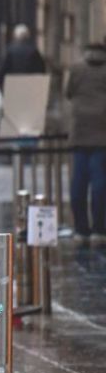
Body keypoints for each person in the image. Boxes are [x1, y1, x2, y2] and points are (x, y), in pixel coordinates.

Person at [64, 43, 106, 245]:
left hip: (79, 132)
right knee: (100, 183)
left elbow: (68, 92)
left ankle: (81, 229)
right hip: (102, 134)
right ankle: (99, 229)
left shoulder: (76, 68)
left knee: (78, 182)